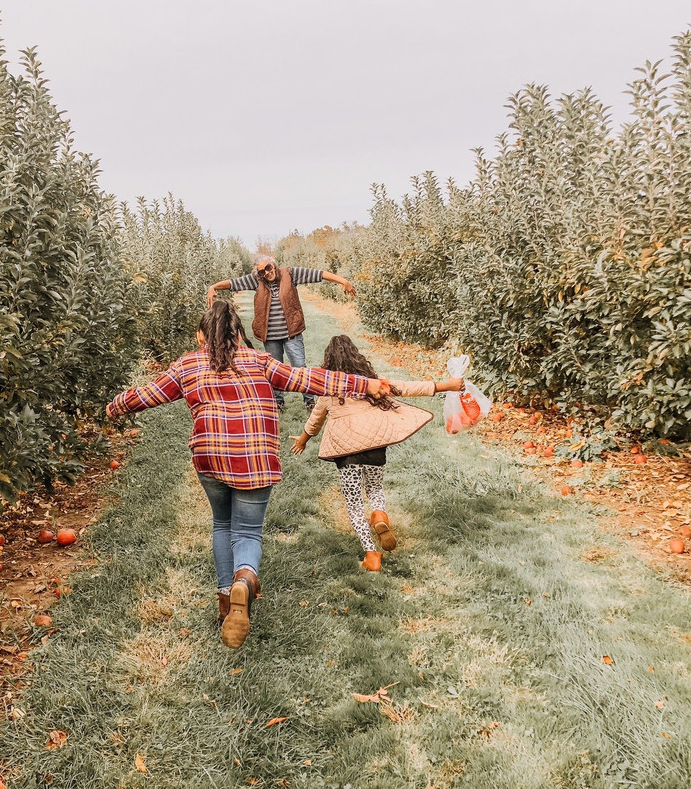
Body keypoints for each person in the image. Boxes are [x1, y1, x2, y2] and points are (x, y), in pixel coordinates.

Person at [105, 303, 390, 648]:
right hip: (255, 457)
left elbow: (146, 396)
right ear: (239, 334)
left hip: (210, 455)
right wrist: (364, 384)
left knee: (222, 525)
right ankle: (245, 579)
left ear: (200, 336)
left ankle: (227, 600)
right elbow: (308, 378)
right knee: (247, 531)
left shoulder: (188, 364)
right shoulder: (259, 361)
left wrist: (115, 406)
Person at [290, 335, 462, 572]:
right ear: (356, 357)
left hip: (346, 451)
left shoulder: (329, 390)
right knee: (375, 488)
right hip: (374, 446)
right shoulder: (370, 383)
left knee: (353, 503)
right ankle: (380, 515)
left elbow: (315, 420)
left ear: (328, 362)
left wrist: (302, 440)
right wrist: (447, 386)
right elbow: (406, 387)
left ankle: (372, 554)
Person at [206, 254, 357, 409]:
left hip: (292, 332)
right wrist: (214, 286)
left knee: (300, 367)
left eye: (268, 268)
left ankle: (309, 401)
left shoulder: (290, 274)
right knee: (274, 370)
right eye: (262, 272)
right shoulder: (257, 280)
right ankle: (278, 403)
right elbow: (233, 283)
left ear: (274, 265)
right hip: (270, 336)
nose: (266, 273)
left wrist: (343, 281)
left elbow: (319, 274)